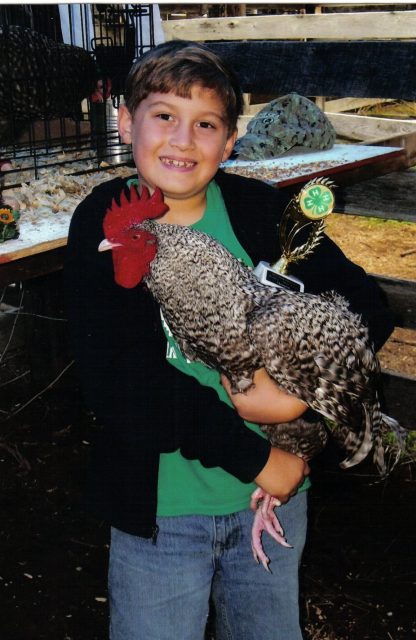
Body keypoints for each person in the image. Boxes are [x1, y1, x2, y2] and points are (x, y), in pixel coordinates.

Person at [64, 41, 394, 640]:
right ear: (124, 121)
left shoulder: (262, 211)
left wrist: (297, 401)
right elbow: (123, 385)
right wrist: (261, 461)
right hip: (160, 509)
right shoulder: (102, 222)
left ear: (230, 140)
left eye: (206, 124)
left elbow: (366, 304)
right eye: (163, 115)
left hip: (275, 499)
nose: (183, 140)